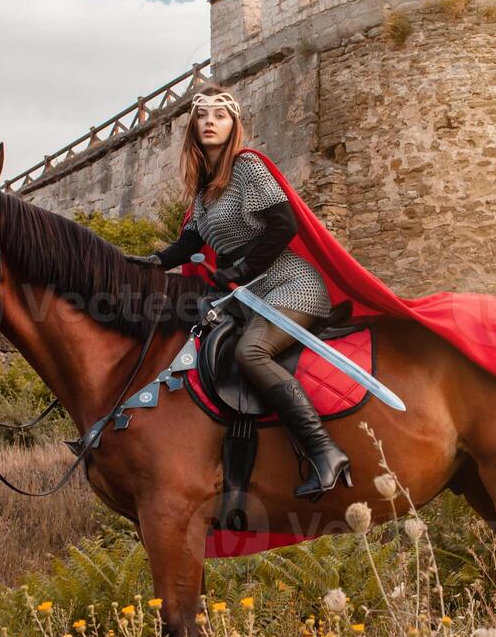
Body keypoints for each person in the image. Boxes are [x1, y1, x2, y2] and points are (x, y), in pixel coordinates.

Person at [125, 86, 350, 498]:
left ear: (234, 126)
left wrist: (242, 268)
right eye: (202, 115)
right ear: (192, 126)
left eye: (220, 115)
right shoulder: (203, 187)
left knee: (251, 353)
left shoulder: (247, 167)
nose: (210, 121)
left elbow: (284, 225)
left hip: (289, 286)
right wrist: (154, 262)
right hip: (247, 296)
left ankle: (325, 453)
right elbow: (190, 242)